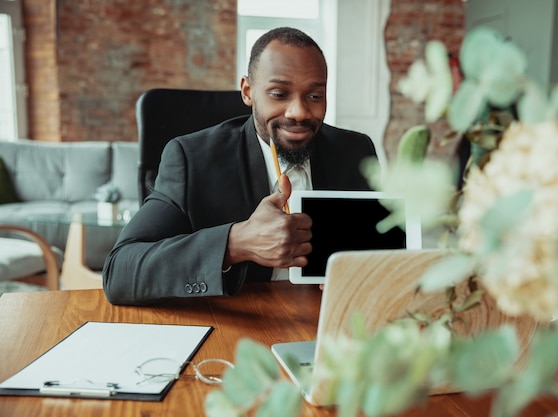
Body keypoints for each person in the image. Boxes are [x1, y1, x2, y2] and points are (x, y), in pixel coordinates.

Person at [102, 27, 379, 305]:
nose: (299, 112)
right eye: (279, 94)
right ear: (248, 91)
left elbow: (377, 253)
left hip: (326, 323)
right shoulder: (192, 159)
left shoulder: (354, 152)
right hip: (236, 327)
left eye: (314, 96)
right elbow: (120, 271)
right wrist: (236, 243)